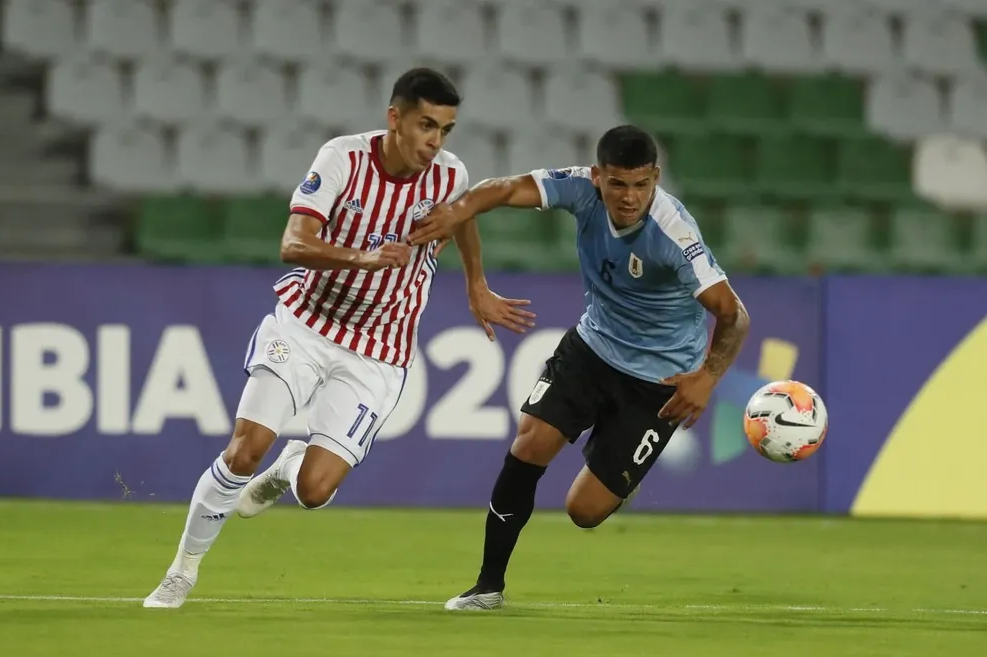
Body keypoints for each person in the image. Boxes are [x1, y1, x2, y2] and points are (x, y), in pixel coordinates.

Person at [143, 67, 536, 609]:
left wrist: (476, 285)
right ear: (394, 118)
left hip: (379, 350)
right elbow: (293, 243)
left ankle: (291, 466)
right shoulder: (342, 159)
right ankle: (181, 571)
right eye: (426, 125)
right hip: (304, 325)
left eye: (445, 130)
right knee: (244, 449)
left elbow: (461, 217)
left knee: (315, 490)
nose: (435, 141)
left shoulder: (448, 175)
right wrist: (364, 257)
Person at [408, 124, 751, 611]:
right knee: (530, 443)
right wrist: (461, 231)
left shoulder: (674, 233)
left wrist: (709, 376)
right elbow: (501, 189)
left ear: (655, 177)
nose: (629, 198)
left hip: (660, 381)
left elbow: (734, 314)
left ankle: (623, 453)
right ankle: (487, 586)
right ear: (597, 177)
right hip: (593, 347)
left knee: (584, 511)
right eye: (617, 184)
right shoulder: (579, 189)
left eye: (640, 185)